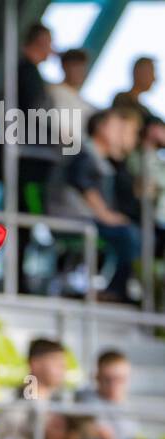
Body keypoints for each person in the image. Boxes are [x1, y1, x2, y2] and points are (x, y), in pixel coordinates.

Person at [49, 108, 142, 302]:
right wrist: (106, 215)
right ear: (101, 127)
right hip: (73, 218)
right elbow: (84, 184)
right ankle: (115, 290)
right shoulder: (84, 152)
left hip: (85, 219)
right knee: (128, 235)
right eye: (117, 126)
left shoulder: (101, 159)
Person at [76, 350, 143, 439]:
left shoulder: (136, 407)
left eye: (120, 379)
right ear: (97, 377)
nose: (114, 386)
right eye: (108, 379)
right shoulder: (83, 400)